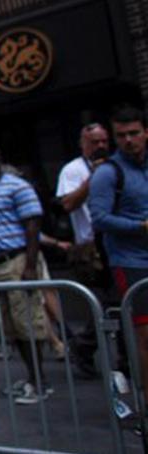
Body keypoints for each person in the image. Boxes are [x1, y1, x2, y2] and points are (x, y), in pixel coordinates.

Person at [0, 144, 53, 404]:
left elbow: (32, 227)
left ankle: (38, 381)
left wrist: (30, 266)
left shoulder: (17, 187)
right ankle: (31, 378)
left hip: (17, 260)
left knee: (26, 322)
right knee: (10, 327)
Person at [90, 106, 148, 400]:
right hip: (130, 262)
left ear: (145, 133)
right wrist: (140, 226)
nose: (128, 140)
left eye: (134, 133)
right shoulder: (107, 173)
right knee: (144, 335)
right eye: (121, 135)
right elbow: (99, 218)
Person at [57, 122, 111, 290]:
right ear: (82, 144)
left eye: (104, 141)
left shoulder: (116, 164)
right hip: (91, 247)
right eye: (94, 142)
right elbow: (68, 205)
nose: (100, 146)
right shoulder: (72, 169)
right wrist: (93, 176)